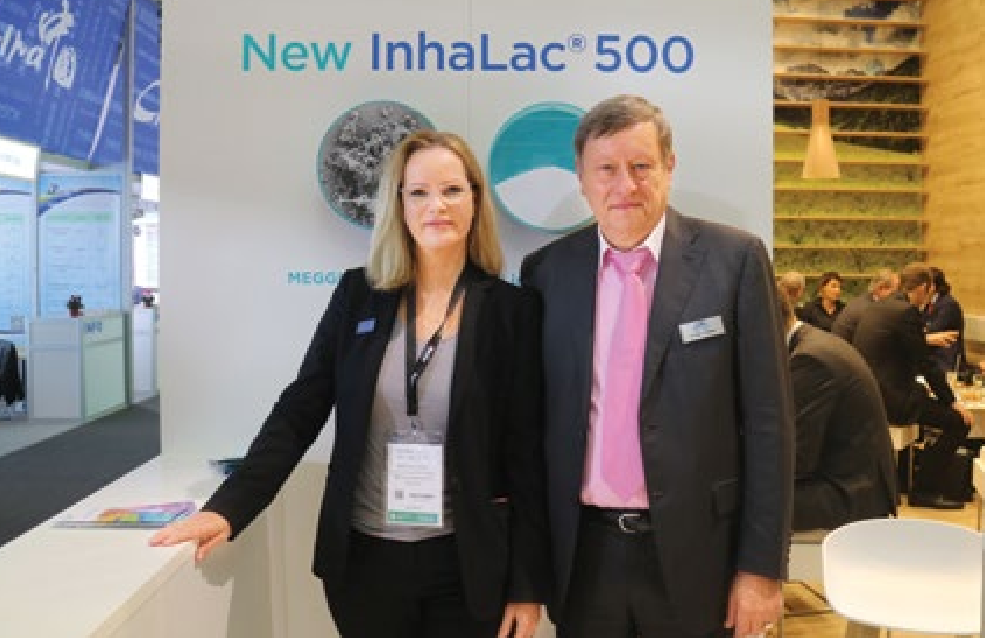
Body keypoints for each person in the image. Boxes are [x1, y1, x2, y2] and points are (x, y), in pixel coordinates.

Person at [150, 131, 550, 638]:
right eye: (419, 192)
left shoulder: (513, 311)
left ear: (475, 199)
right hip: (364, 563)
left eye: (452, 190)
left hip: (468, 565)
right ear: (399, 205)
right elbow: (301, 408)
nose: (437, 206)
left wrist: (526, 585)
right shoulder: (358, 294)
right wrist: (229, 508)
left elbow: (526, 454)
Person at [521, 94, 794, 638]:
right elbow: (530, 429)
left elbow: (770, 425)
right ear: (581, 179)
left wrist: (761, 569)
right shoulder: (546, 272)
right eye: (606, 169)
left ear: (669, 167)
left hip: (701, 557)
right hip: (584, 559)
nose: (625, 185)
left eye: (641, 166)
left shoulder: (735, 260)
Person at [851, 262, 973, 510]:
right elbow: (925, 364)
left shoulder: (879, 307)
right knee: (958, 422)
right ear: (924, 288)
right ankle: (925, 490)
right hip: (894, 401)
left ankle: (909, 480)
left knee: (928, 404)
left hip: (871, 395)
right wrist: (953, 402)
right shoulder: (907, 313)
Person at [779, 286, 898, 532]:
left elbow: (797, 460)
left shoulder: (810, 359)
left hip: (848, 494)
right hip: (853, 482)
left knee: (735, 504)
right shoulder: (813, 343)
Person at [830, 268, 898, 344]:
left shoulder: (868, 300)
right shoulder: (868, 309)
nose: (897, 296)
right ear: (881, 288)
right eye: (895, 292)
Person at [923, 266, 968, 377]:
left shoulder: (948, 305)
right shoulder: (929, 303)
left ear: (933, 286)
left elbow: (932, 329)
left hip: (946, 359)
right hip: (932, 356)